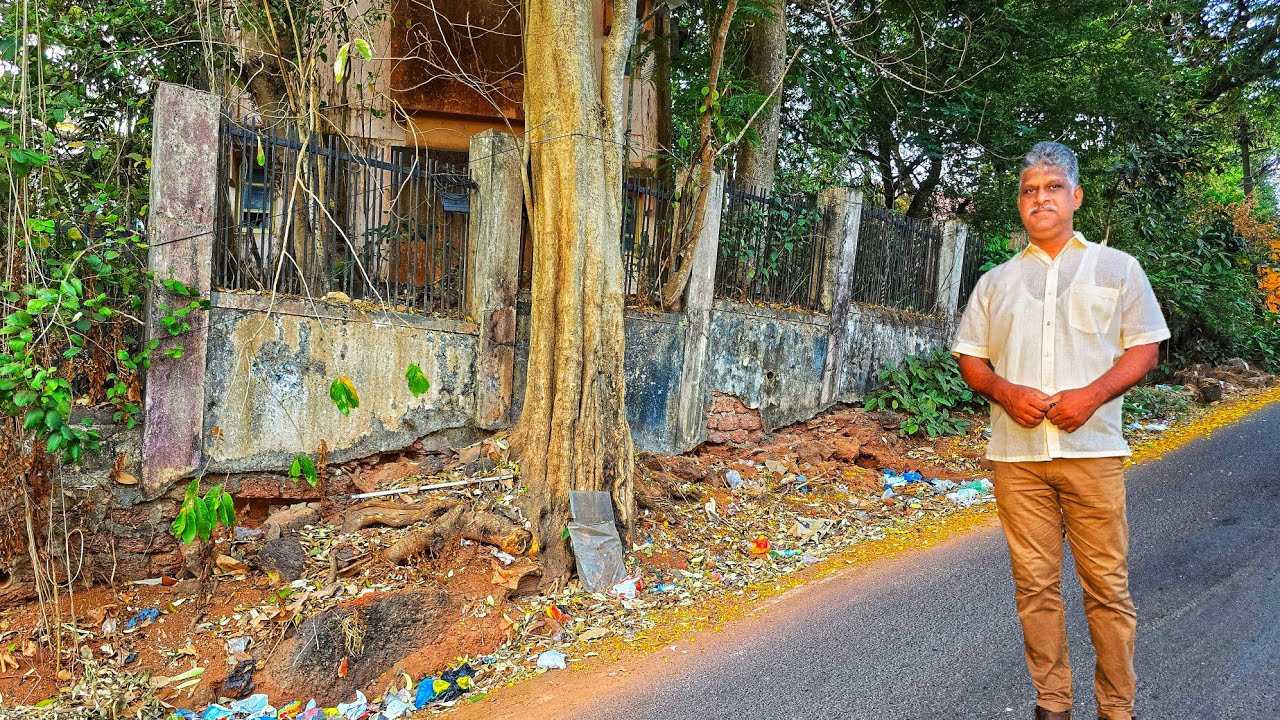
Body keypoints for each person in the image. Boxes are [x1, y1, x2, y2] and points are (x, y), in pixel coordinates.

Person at [951, 141, 1170, 720]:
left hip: (1092, 452)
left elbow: (1145, 348)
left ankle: (1116, 709)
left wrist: (1091, 396)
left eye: (1052, 187)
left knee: (1107, 590)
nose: (1040, 198)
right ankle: (1053, 705)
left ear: (1075, 196)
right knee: (1035, 590)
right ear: (1019, 204)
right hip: (1016, 458)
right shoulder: (995, 282)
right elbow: (971, 359)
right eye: (1029, 190)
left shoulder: (1117, 269)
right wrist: (1006, 392)